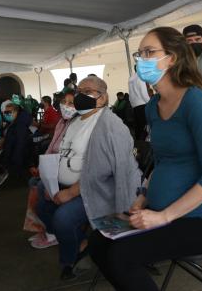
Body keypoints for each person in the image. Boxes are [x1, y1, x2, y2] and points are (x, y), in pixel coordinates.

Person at [90, 27, 202, 291]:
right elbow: (163, 161)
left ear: (172, 58)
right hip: (160, 211)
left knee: (122, 256)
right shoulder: (153, 107)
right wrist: (143, 196)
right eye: (139, 53)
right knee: (97, 243)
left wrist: (163, 216)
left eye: (149, 52)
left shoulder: (196, 102)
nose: (141, 59)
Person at [37, 76, 141, 281]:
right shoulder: (76, 119)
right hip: (66, 184)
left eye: (88, 91)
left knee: (63, 219)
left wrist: (71, 192)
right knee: (41, 200)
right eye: (79, 91)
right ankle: (83, 242)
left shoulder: (110, 125)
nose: (80, 96)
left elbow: (109, 170)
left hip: (95, 188)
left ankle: (71, 256)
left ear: (102, 98)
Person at [28, 90, 77, 249]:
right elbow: (51, 146)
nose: (66, 106)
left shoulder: (77, 124)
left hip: (66, 170)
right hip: (53, 165)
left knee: (40, 188)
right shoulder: (62, 122)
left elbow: (70, 154)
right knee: (34, 182)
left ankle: (52, 232)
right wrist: (42, 166)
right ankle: (44, 227)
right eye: (64, 102)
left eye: (71, 103)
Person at [128, 65, 151, 140]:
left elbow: (130, 94)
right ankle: (145, 146)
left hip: (135, 105)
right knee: (145, 127)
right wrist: (149, 102)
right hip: (143, 104)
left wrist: (132, 104)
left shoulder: (131, 79)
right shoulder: (141, 77)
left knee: (138, 127)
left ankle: (139, 145)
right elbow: (143, 91)